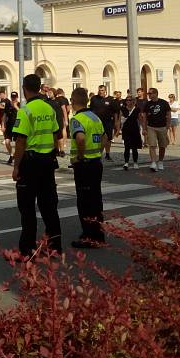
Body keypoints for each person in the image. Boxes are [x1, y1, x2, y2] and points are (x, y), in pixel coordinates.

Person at [11, 74, 62, 257]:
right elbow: (56, 134)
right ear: (39, 87)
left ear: (25, 88)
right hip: (47, 161)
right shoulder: (49, 108)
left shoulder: (25, 111)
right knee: (49, 206)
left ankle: (27, 250)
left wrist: (16, 167)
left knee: (27, 208)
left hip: (30, 163)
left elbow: (20, 142)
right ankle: (55, 246)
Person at [68, 87, 107, 249]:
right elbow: (105, 138)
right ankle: (99, 234)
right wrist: (98, 151)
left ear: (73, 101)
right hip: (96, 163)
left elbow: (81, 138)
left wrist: (81, 156)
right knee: (96, 201)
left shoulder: (77, 119)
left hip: (84, 166)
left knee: (84, 203)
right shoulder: (95, 117)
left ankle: (89, 236)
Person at [142, 88, 171, 172]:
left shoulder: (164, 103)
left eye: (150, 93)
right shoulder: (147, 104)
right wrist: (144, 128)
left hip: (162, 127)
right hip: (151, 127)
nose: (149, 95)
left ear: (155, 94)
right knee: (152, 145)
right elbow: (144, 117)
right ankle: (153, 162)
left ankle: (160, 161)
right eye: (148, 94)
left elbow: (168, 114)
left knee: (162, 145)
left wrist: (168, 126)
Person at [89, 85, 120, 161]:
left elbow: (116, 112)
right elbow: (91, 110)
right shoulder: (94, 99)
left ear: (105, 91)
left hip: (108, 122)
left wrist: (116, 122)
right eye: (100, 90)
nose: (101, 92)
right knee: (97, 138)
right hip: (96, 122)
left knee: (108, 138)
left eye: (102, 90)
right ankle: (97, 154)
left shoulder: (110, 99)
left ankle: (107, 154)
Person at [120, 96, 142, 170]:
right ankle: (126, 163)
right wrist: (118, 129)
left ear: (133, 101)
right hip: (126, 130)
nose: (128, 101)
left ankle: (135, 162)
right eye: (127, 100)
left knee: (134, 147)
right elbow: (120, 119)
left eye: (130, 100)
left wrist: (144, 129)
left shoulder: (137, 109)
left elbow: (140, 119)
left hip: (135, 129)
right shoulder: (123, 109)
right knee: (126, 147)